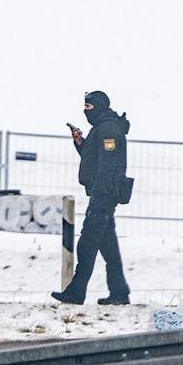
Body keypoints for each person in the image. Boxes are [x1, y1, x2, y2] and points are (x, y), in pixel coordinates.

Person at [52, 91, 132, 305]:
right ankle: (119, 292)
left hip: (103, 195)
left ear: (99, 106)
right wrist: (80, 142)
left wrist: (100, 194)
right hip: (102, 194)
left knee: (87, 244)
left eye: (88, 107)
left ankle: (76, 293)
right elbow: (95, 158)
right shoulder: (101, 127)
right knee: (109, 248)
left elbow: (108, 164)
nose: (85, 111)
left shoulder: (108, 129)